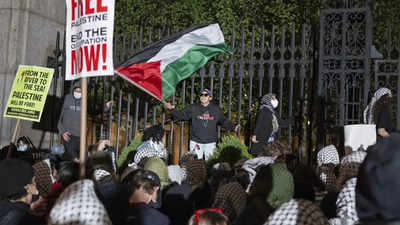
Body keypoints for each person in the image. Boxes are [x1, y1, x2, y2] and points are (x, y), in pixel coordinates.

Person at [164, 89, 238, 160]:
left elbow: (223, 120)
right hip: (196, 142)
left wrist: (234, 127)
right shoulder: (193, 108)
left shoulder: (216, 109)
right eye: (201, 95)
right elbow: (181, 115)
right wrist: (171, 109)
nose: (203, 96)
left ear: (210, 98)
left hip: (210, 143)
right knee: (195, 165)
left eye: (205, 95)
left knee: (210, 164)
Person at [58, 81, 113, 161]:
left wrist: (105, 107)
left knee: (85, 160)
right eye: (77, 90)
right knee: (73, 159)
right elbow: (58, 117)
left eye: (80, 91)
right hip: (69, 136)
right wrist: (62, 131)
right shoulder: (66, 99)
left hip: (81, 137)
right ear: (73, 90)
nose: (78, 92)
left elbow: (93, 111)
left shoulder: (84, 101)